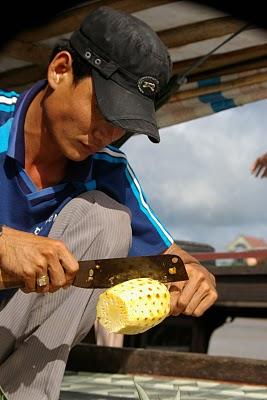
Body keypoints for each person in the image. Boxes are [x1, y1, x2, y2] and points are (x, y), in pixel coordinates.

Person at [0, 6, 217, 400]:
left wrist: (196, 277)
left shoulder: (108, 168)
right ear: (60, 71)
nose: (105, 133)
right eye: (102, 109)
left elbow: (174, 261)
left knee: (107, 220)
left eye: (123, 122)